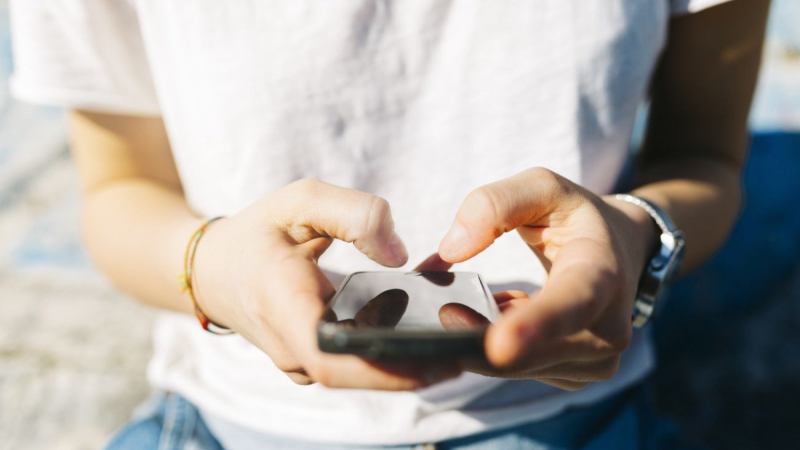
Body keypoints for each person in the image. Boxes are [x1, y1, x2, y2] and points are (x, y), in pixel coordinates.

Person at [9, 0, 769, 449]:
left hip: (573, 425)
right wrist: (216, 270)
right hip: (234, 426)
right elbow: (121, 190)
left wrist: (637, 236)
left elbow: (703, 157)